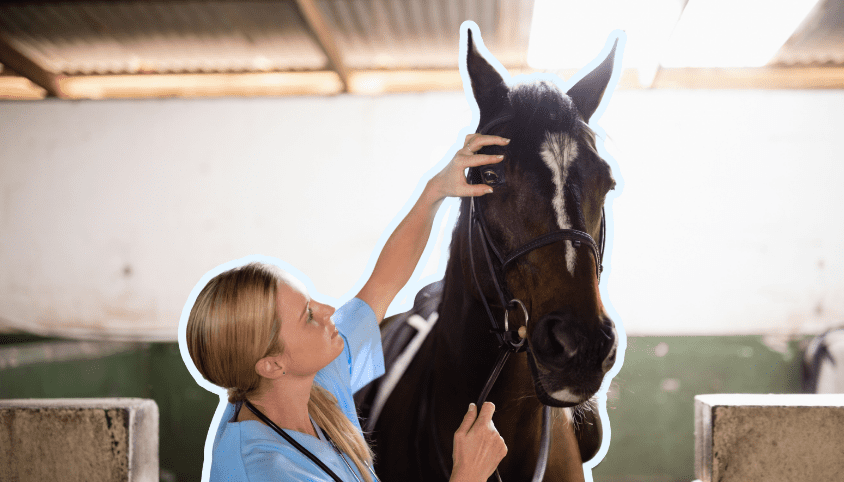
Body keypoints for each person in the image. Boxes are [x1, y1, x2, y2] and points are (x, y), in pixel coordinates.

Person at [185, 133, 511, 481]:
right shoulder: (264, 470)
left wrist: (435, 191)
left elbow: (383, 285)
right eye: (307, 316)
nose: (327, 310)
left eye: (312, 301)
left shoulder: (314, 383)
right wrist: (468, 474)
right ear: (271, 363)